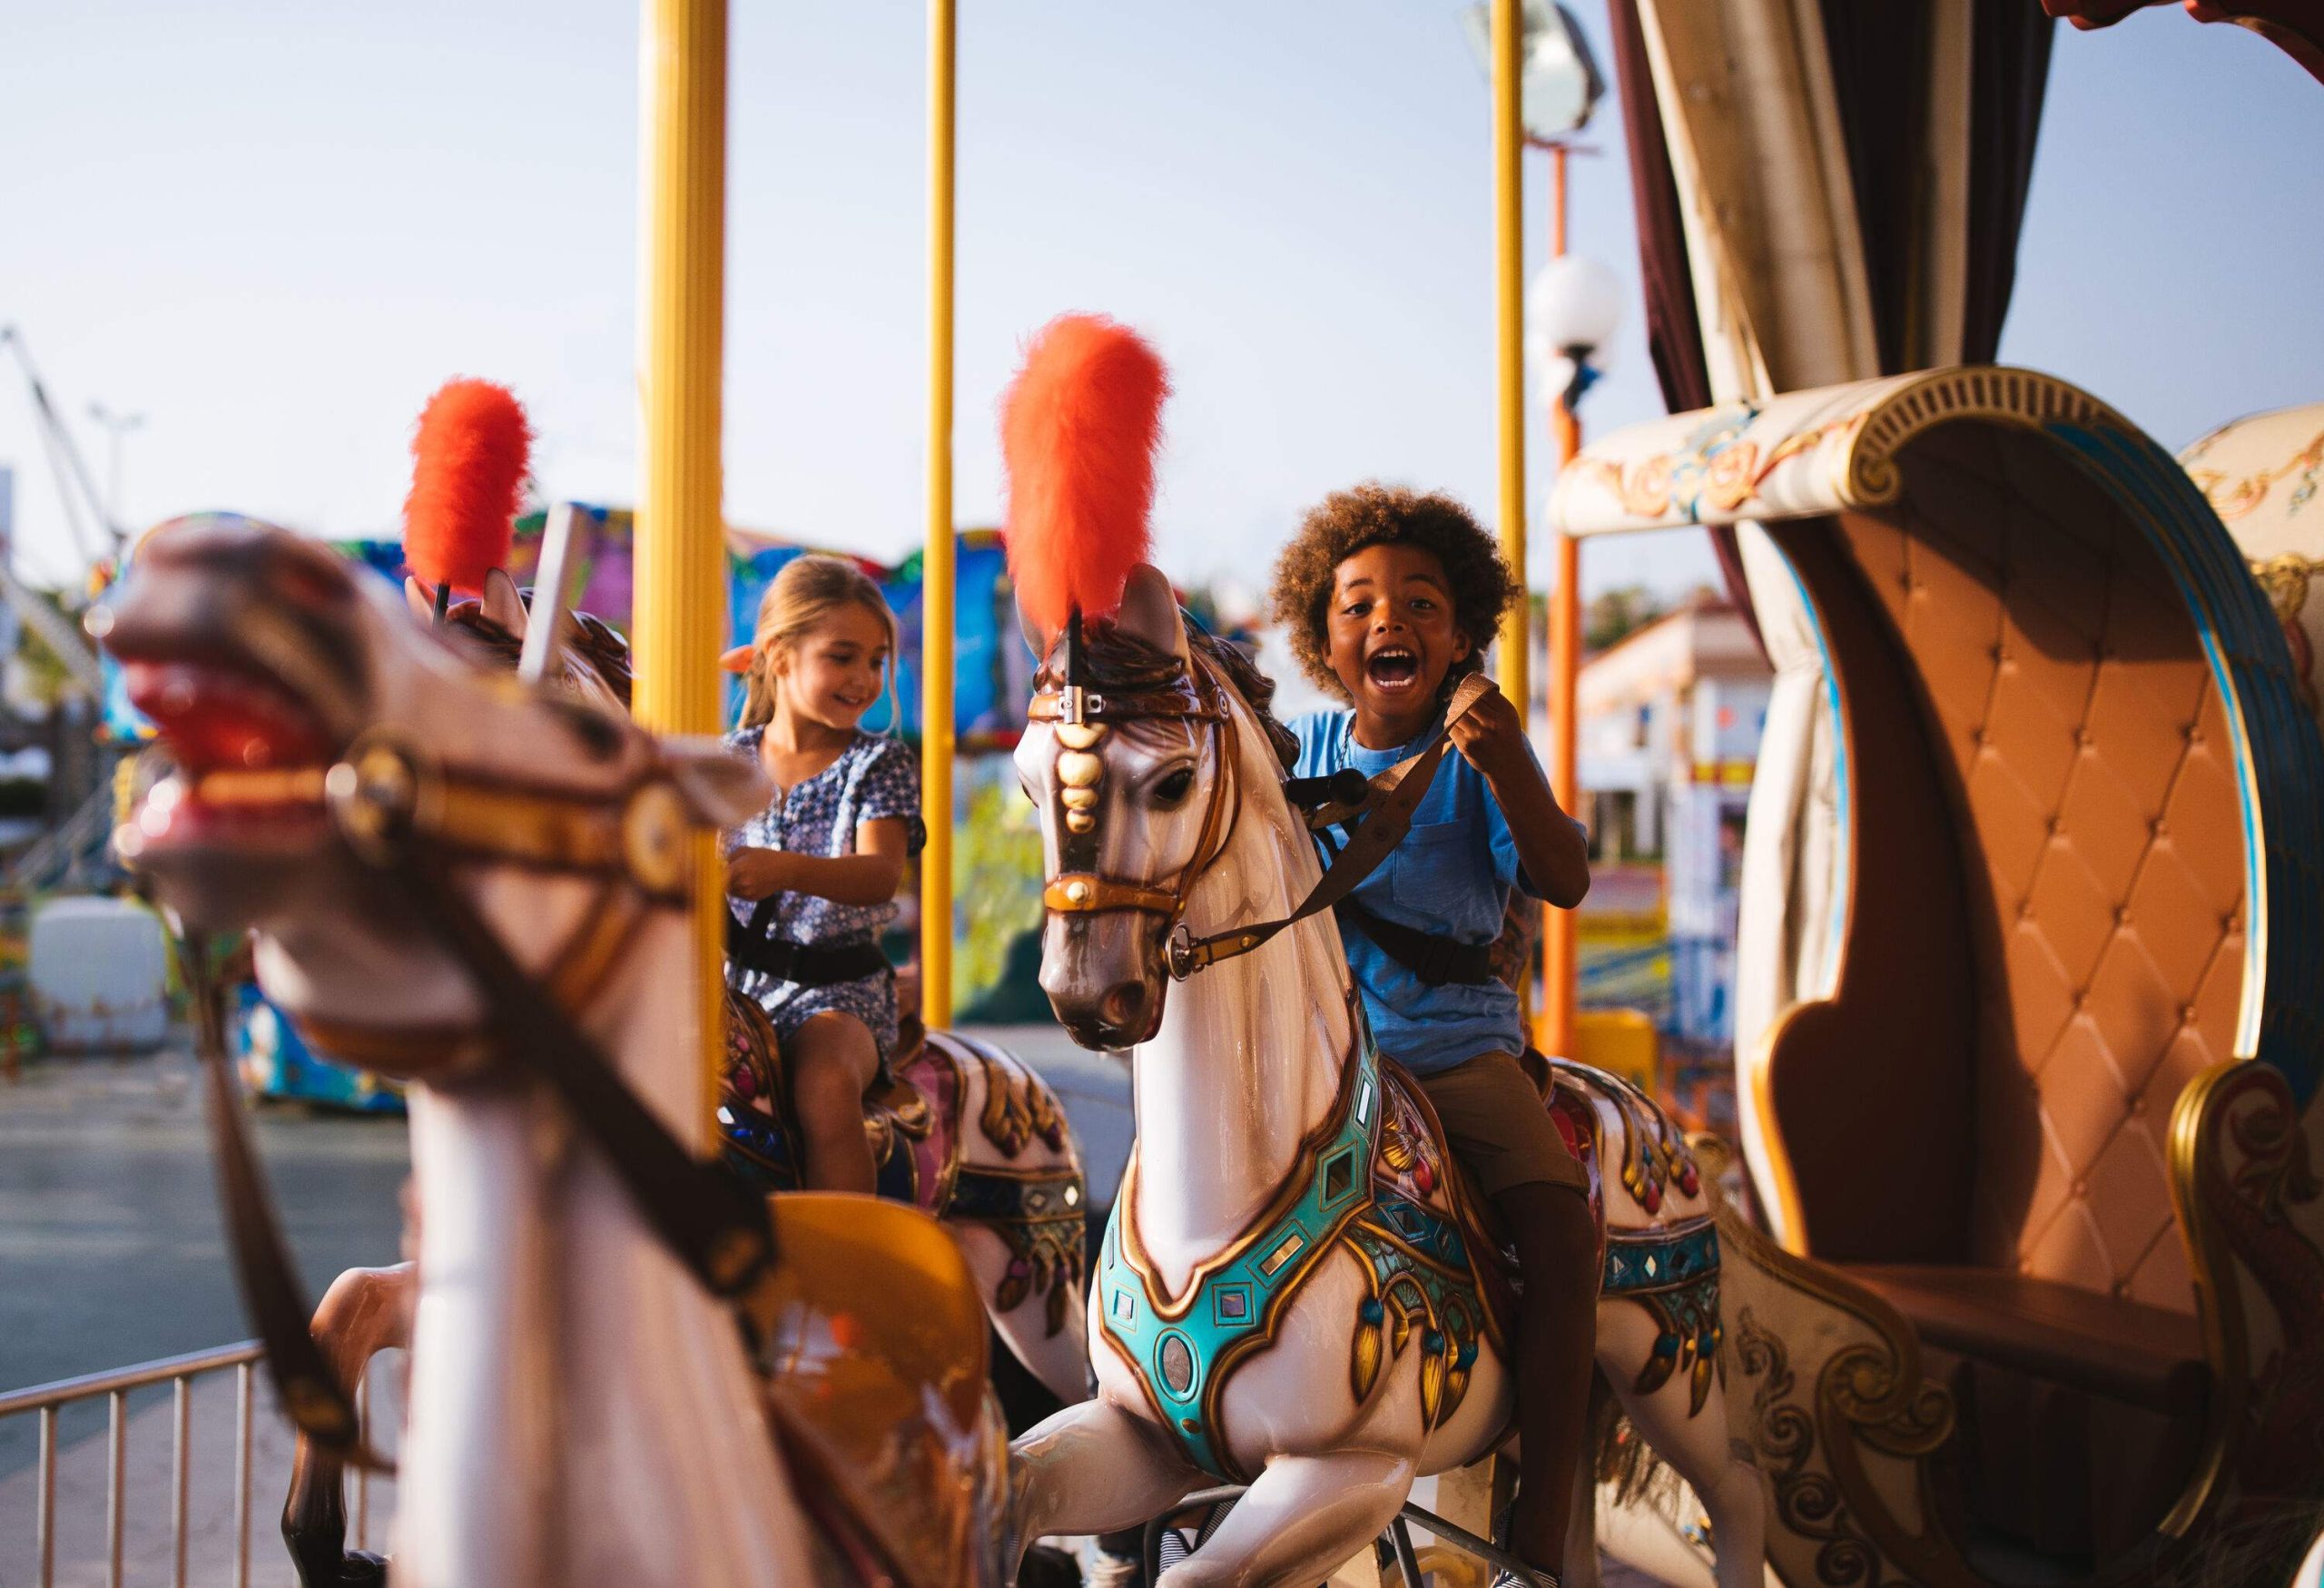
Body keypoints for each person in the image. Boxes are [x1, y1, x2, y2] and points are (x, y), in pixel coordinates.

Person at [1270, 483, 1595, 1588]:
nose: (1385, 621)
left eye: (1418, 602)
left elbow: (1563, 877)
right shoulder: (1298, 749)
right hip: (1323, 1057)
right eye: (1356, 603)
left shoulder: (1478, 754)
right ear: (1325, 639)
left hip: (1452, 1054)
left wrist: (1506, 758)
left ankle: (1539, 1537)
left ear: (1460, 637)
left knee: (1561, 1242)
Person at [721, 555, 918, 1195]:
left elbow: (880, 873)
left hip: (838, 992)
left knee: (825, 1086)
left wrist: (785, 870)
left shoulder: (876, 763)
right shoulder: (729, 762)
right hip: (735, 988)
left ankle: (846, 1271)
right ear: (780, 657)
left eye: (875, 660)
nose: (864, 678)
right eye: (843, 656)